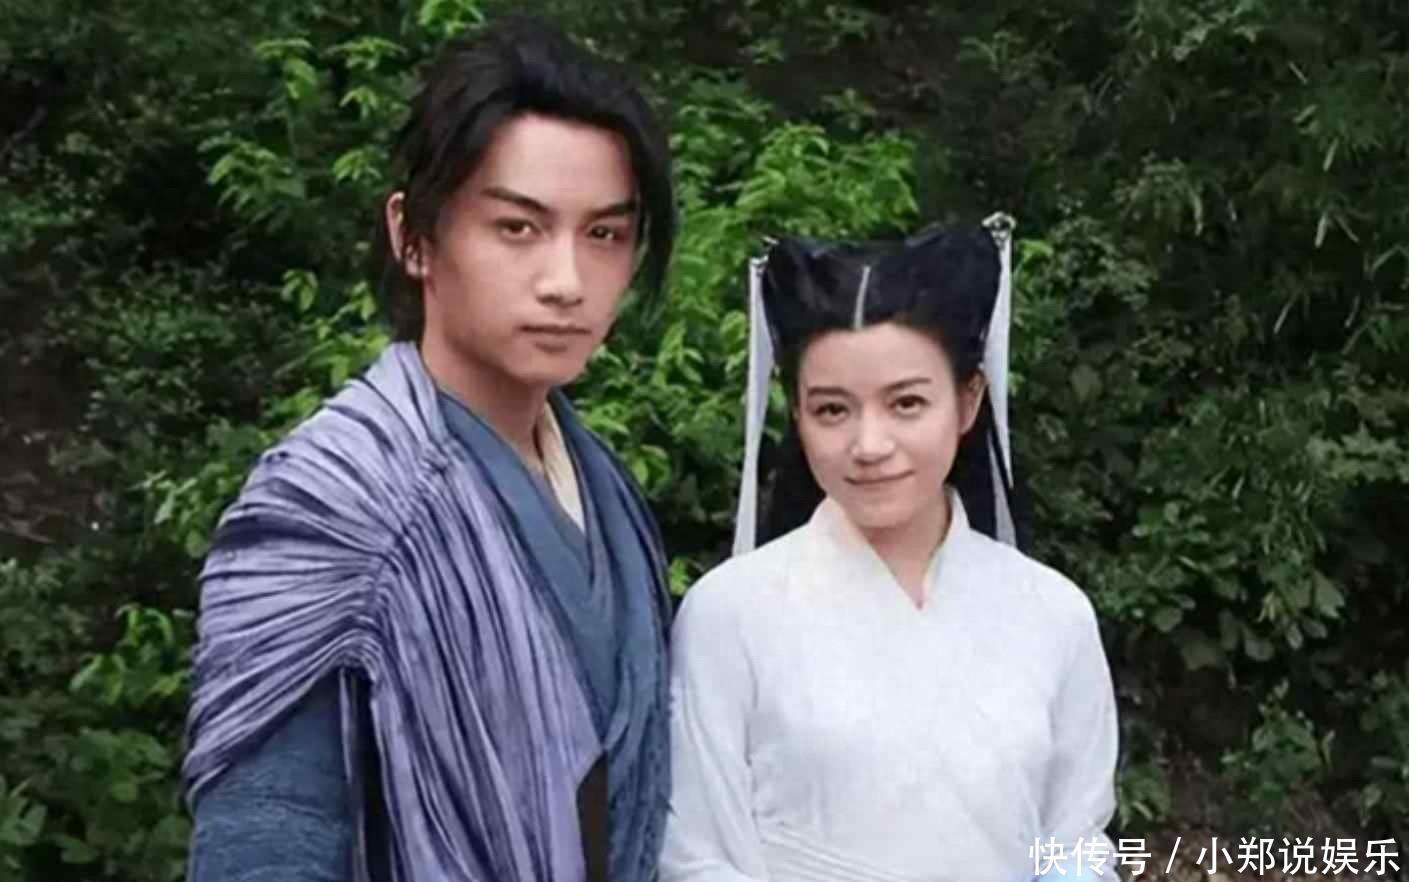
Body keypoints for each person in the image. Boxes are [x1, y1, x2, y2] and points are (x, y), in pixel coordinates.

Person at [183, 17, 676, 882]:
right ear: (414, 235)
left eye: (603, 234)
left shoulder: (602, 484)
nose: (566, 282)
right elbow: (268, 836)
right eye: (518, 228)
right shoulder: (336, 498)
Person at [660, 218, 1119, 882]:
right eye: (832, 410)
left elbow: (1076, 841)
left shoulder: (1054, 613)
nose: (869, 445)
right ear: (797, 415)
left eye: (906, 404)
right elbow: (697, 858)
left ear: (968, 401)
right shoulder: (728, 613)